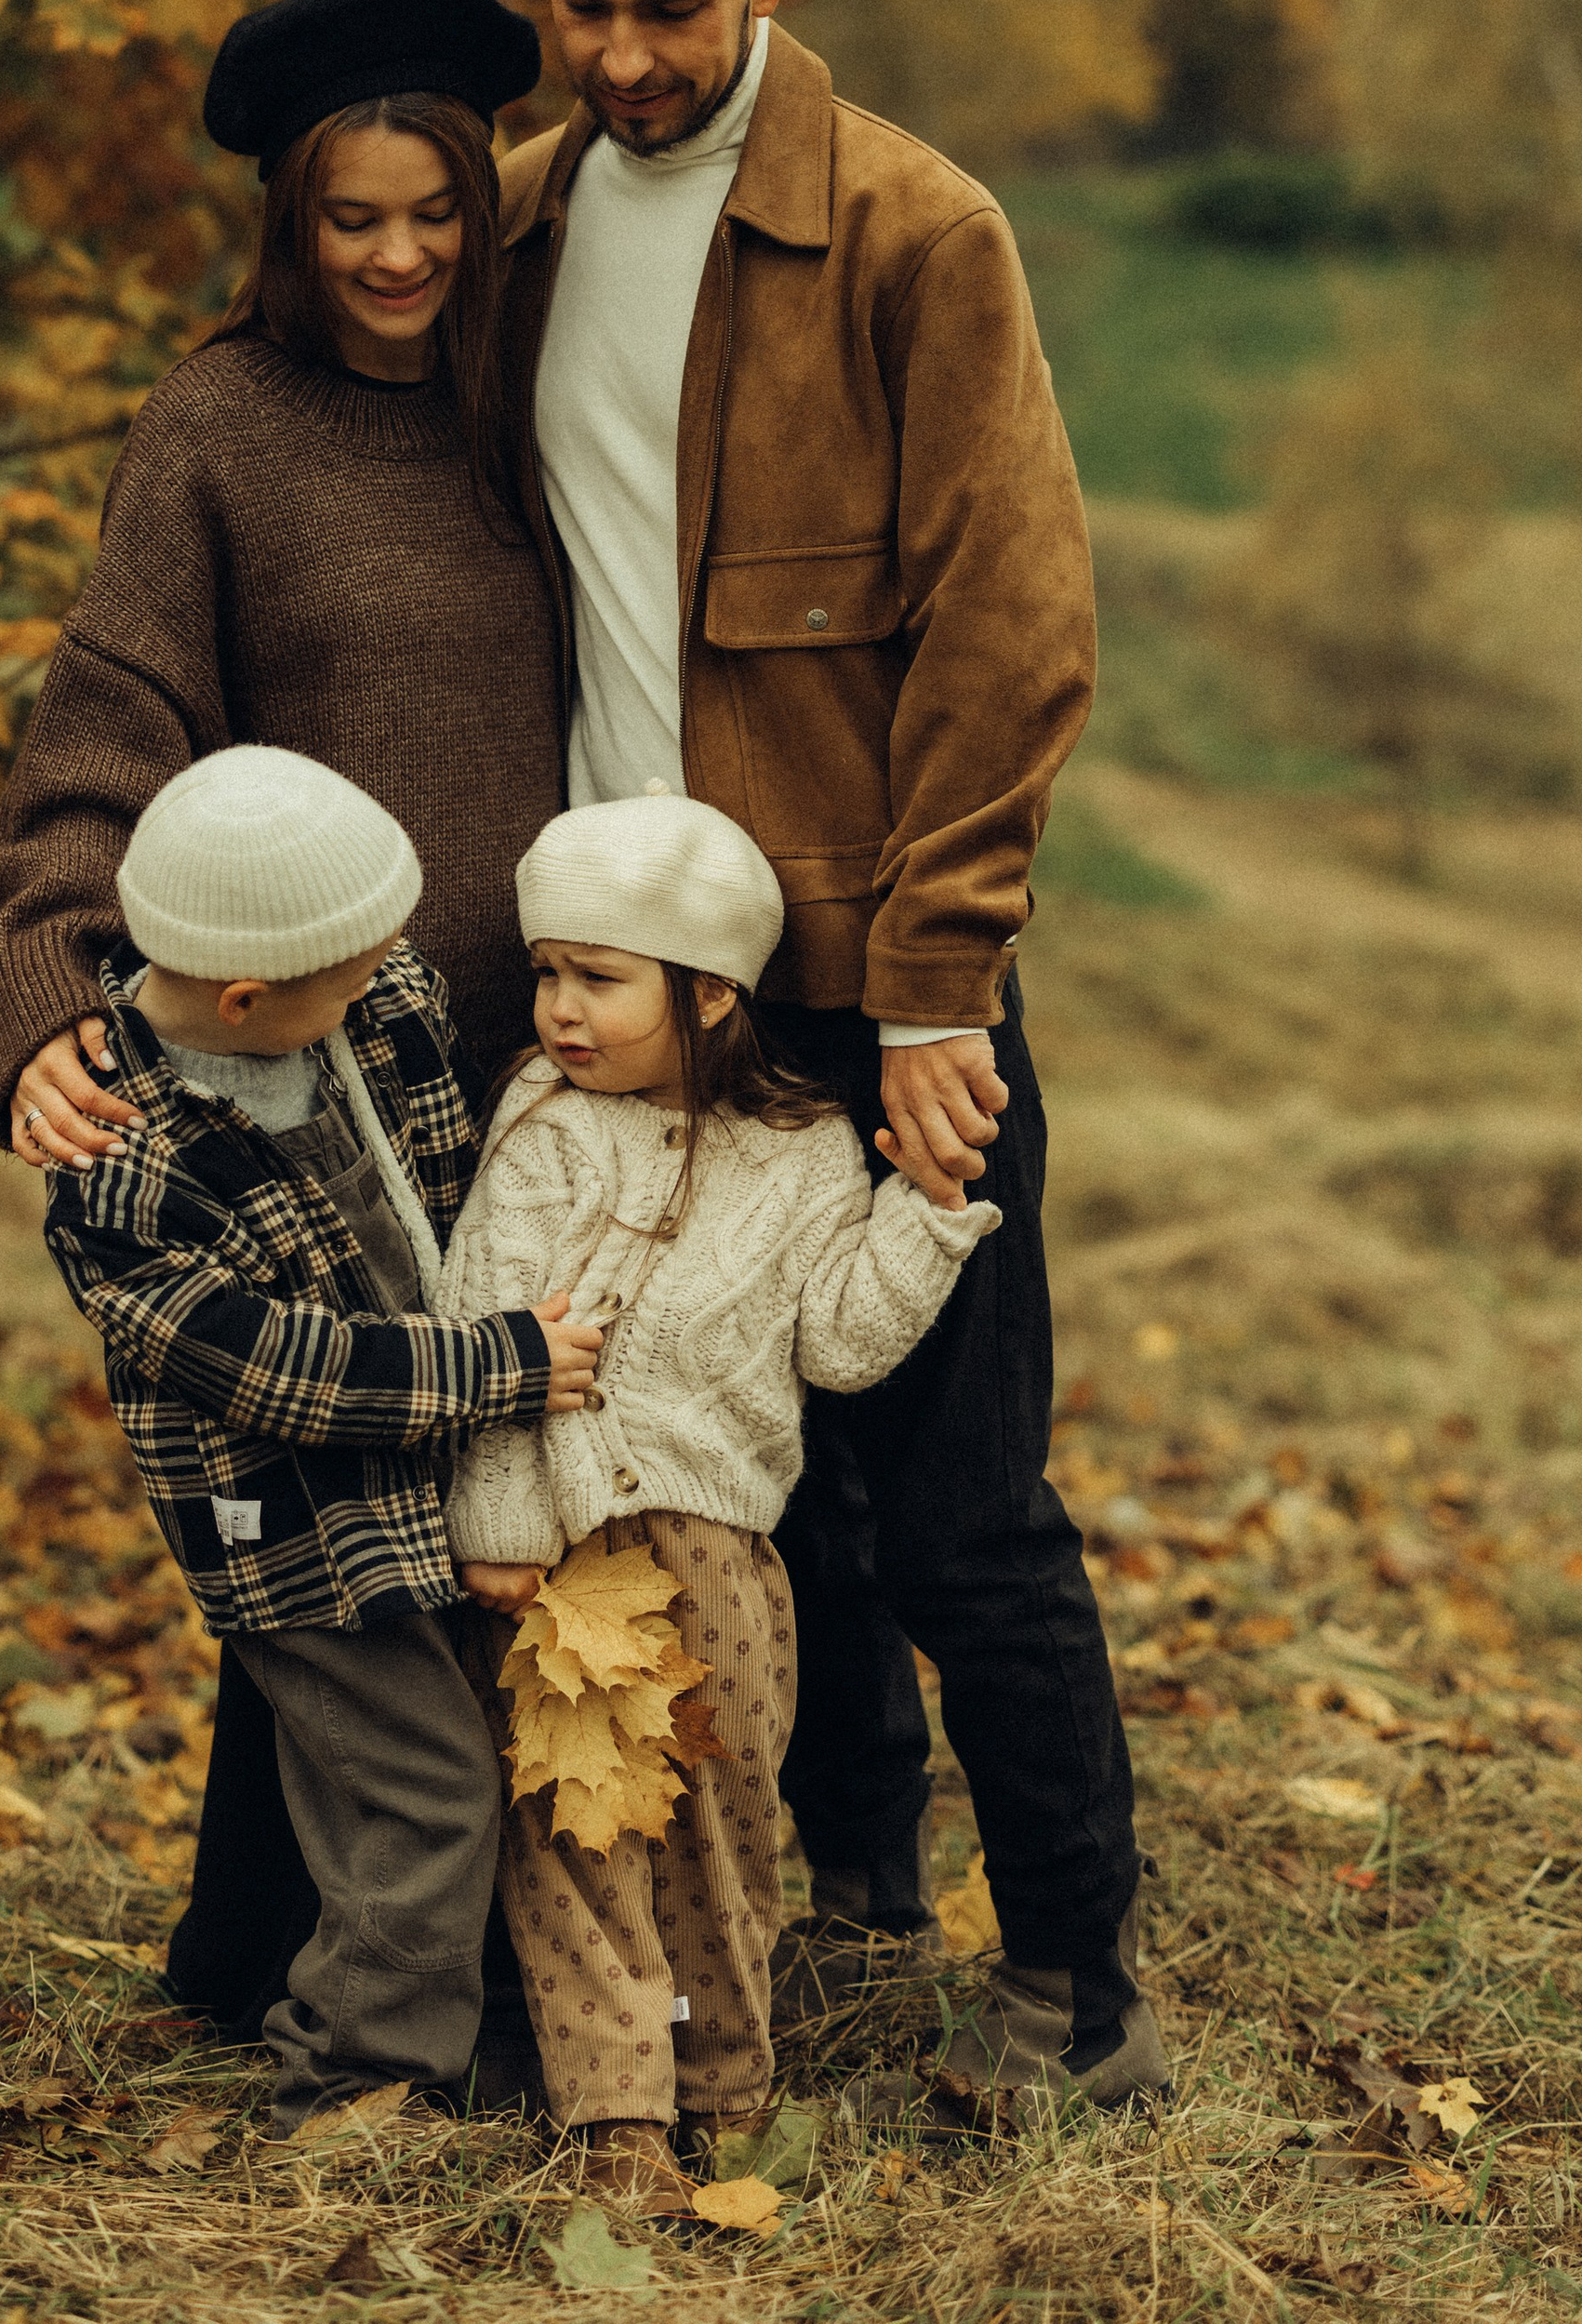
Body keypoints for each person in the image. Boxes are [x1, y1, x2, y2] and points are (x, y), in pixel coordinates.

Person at [498, 0, 1168, 2123]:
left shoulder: (909, 232)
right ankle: (851, 1905)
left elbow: (1013, 628)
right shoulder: (515, 222)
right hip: (613, 1008)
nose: (624, 56)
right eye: (581, 6)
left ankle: (1077, 1988)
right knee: (724, 1489)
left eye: (672, 9)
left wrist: (929, 991)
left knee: (958, 1504)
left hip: (865, 997)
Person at [0, 0, 564, 2040]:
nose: (400, 255)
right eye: (353, 219)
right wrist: (49, 979)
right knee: (324, 1525)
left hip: (552, 1057)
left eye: (434, 212)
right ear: (288, 226)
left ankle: (531, 1966)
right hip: (307, 1069)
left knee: (520, 1517)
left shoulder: (539, 399)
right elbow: (102, 727)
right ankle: (272, 1966)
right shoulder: (218, 426)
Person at [36, 742, 606, 2130]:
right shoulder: (121, 1170)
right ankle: (357, 2077)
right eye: (353, 973)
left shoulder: (369, 999)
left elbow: (465, 1171)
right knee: (419, 1790)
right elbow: (286, 1375)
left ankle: (495, 2037)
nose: (391, 975)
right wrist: (502, 1364)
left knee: (470, 1756)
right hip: (293, 1528)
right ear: (245, 996)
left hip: (440, 1472)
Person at [443, 792, 997, 2212]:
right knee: (576, 1835)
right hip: (568, 1557)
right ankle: (617, 2112)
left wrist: (924, 1214)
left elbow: (839, 1344)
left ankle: (729, 2086)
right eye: (547, 972)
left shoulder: (802, 1152)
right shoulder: (542, 1128)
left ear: (709, 990)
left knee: (722, 1822)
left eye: (599, 979)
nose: (560, 1009)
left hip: (726, 1558)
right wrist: (502, 1524)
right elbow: (484, 1317)